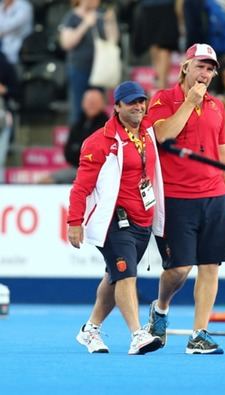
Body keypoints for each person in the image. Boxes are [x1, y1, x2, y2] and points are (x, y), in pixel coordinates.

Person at [146, 43, 225, 354]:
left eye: (210, 68)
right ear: (185, 66)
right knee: (178, 270)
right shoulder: (163, 98)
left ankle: (199, 334)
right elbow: (163, 135)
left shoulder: (217, 106)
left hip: (214, 195)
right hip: (176, 197)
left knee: (210, 266)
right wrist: (189, 103)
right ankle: (160, 308)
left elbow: (223, 151)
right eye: (200, 66)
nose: (205, 73)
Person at [67, 81, 165, 355]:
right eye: (131, 102)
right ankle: (138, 335)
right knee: (126, 276)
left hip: (143, 219)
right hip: (115, 221)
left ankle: (90, 330)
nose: (138, 106)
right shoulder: (99, 141)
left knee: (114, 276)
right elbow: (81, 187)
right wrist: (74, 222)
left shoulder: (147, 133)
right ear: (117, 106)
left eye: (141, 101)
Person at [60, 0, 119, 124]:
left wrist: (110, 21)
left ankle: (99, 141)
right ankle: (78, 141)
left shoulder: (102, 14)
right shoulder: (72, 17)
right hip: (79, 68)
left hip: (100, 70)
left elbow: (113, 39)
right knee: (78, 109)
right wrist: (85, 24)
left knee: (99, 110)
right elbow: (66, 43)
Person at [37, 88, 108, 184]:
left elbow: (97, 154)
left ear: (102, 104)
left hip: (99, 170)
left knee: (51, 180)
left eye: (94, 102)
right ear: (83, 103)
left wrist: (78, 150)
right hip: (78, 168)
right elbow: (68, 152)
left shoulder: (107, 126)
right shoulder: (78, 123)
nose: (91, 104)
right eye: (89, 102)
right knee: (45, 180)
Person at [0, 0, 33, 65]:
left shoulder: (24, 6)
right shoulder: (2, 5)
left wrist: (1, 32)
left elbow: (12, 25)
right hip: (3, 42)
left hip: (20, 43)